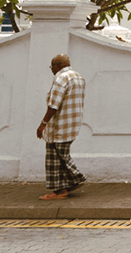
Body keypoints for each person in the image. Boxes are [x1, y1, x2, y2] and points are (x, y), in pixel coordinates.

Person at [36, 54, 87, 200]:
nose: (51, 69)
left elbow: (53, 105)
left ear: (57, 65)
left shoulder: (61, 78)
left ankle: (68, 184)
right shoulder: (78, 77)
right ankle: (67, 186)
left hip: (59, 125)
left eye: (52, 67)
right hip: (72, 124)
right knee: (60, 155)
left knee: (54, 158)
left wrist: (43, 124)